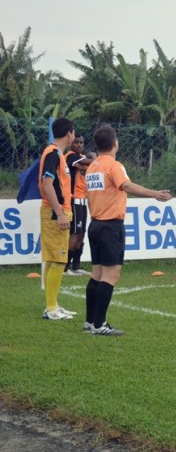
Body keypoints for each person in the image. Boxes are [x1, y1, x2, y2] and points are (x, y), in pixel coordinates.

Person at [84, 124, 172, 336]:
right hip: (110, 225)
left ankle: (90, 322)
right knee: (111, 275)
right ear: (115, 143)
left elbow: (90, 197)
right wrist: (155, 194)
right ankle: (99, 324)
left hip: (95, 224)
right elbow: (127, 186)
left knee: (97, 273)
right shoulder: (114, 166)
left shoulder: (92, 167)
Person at [39, 118, 77, 321]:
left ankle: (52, 305)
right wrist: (60, 212)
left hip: (58, 210)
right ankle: (51, 308)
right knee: (59, 260)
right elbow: (47, 183)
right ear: (69, 133)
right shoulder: (53, 153)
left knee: (54, 259)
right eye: (74, 133)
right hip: (55, 212)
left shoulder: (57, 154)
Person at [64, 135, 95, 275]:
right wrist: (94, 160)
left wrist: (87, 163)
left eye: (81, 142)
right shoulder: (70, 156)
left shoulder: (81, 158)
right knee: (75, 234)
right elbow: (90, 162)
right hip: (74, 200)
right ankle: (65, 267)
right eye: (76, 142)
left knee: (81, 234)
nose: (79, 145)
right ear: (71, 143)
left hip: (83, 201)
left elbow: (88, 163)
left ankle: (76, 266)